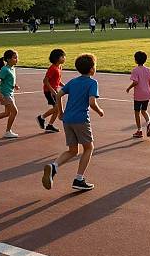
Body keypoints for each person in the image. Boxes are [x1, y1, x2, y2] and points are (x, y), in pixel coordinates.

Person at [41, 54, 104, 192]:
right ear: (92, 69)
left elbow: (58, 95)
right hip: (81, 120)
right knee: (89, 148)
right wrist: (99, 111)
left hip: (67, 120)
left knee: (73, 150)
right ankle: (79, 179)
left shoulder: (73, 81)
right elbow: (92, 102)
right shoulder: (92, 83)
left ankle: (54, 166)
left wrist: (61, 112)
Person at [126, 51, 150, 138]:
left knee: (137, 112)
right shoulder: (148, 70)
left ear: (135, 60)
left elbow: (135, 82)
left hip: (139, 95)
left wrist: (129, 88)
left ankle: (139, 130)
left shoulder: (135, 70)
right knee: (144, 110)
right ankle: (148, 123)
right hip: (147, 94)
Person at [37, 48, 66, 133]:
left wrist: (65, 86)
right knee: (57, 108)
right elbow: (45, 81)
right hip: (48, 91)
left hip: (54, 90)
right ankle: (41, 117)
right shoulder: (52, 68)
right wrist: (52, 90)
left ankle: (50, 125)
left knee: (56, 109)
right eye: (63, 56)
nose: (64, 58)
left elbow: (58, 81)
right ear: (57, 58)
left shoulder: (59, 67)